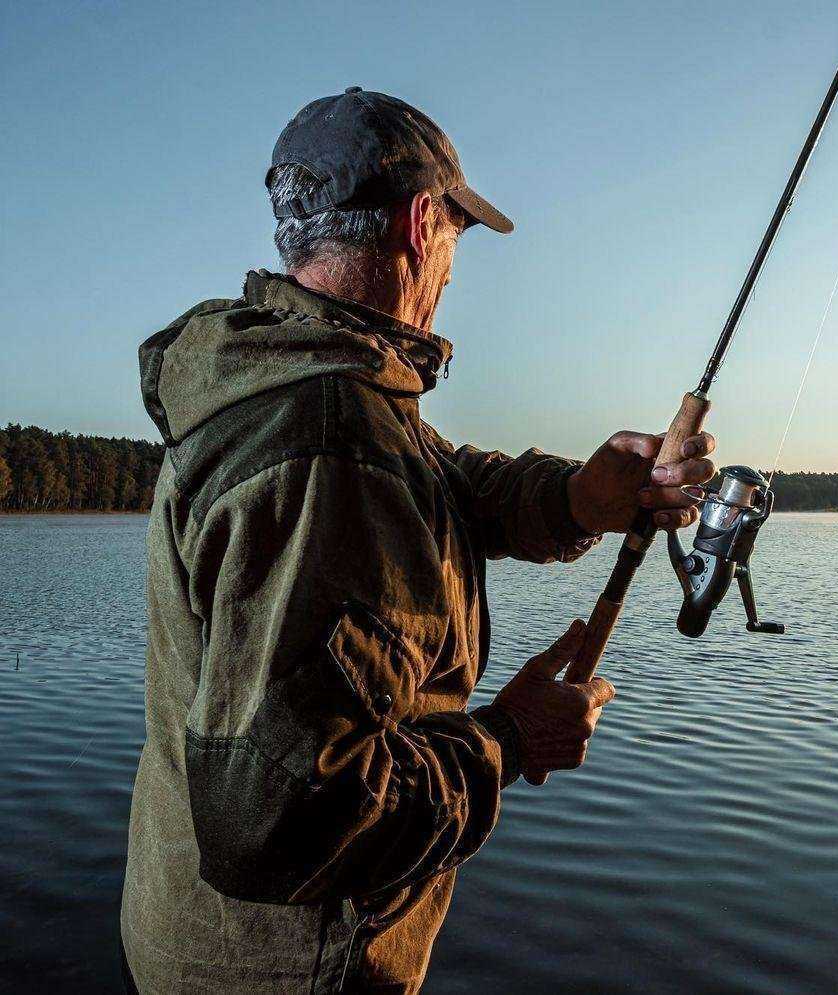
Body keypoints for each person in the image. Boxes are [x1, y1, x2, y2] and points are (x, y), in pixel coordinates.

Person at [120, 87, 716, 993]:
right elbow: (280, 816)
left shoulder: (298, 375)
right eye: (455, 240)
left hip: (192, 943)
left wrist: (580, 496)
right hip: (289, 973)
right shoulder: (325, 438)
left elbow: (444, 478)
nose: (453, 271)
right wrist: (509, 740)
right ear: (418, 222)